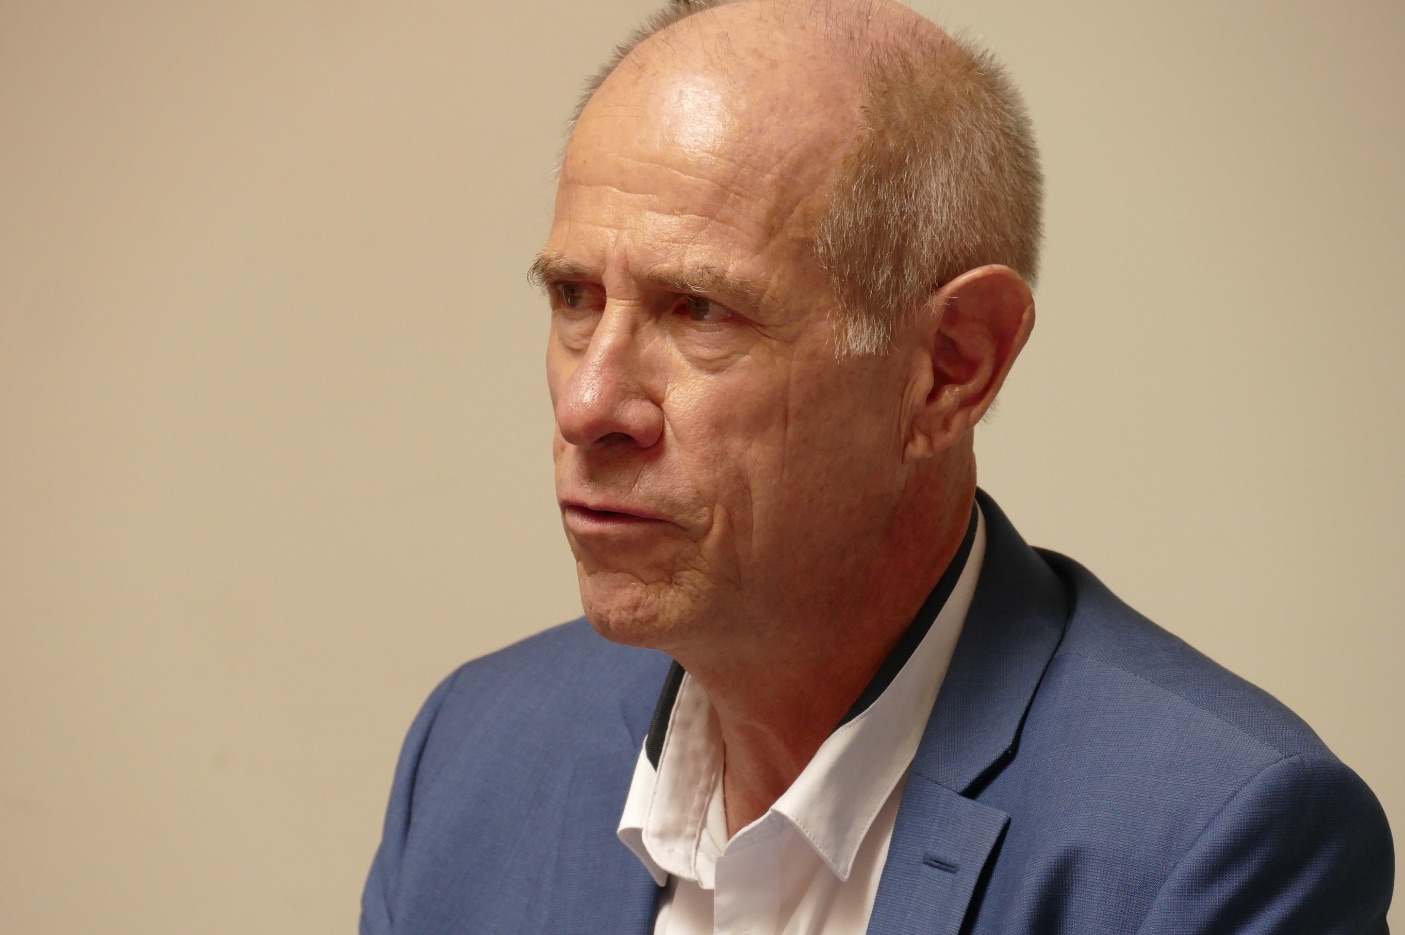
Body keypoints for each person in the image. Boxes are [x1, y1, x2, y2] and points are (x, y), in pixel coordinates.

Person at [361, 0, 1394, 931]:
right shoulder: (475, 751)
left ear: (949, 367)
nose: (588, 405)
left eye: (700, 310)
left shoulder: (1213, 847)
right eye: (574, 298)